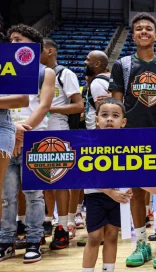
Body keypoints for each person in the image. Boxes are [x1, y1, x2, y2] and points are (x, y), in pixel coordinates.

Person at [108, 12, 156, 269]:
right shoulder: (123, 65)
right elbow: (116, 104)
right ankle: (141, 243)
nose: (144, 32)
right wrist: (116, 136)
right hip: (131, 136)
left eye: (148, 28)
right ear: (133, 35)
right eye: (139, 29)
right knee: (136, 191)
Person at [0, 24, 55, 263]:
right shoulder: (5, 68)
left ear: (33, 45)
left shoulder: (45, 72)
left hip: (34, 137)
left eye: (18, 39)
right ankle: (6, 240)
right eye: (10, 40)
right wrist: (12, 131)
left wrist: (21, 132)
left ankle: (34, 239)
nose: (12, 44)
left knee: (34, 193)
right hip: (5, 136)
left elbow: (43, 106)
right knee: (6, 195)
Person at [39, 37, 84, 247]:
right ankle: (47, 221)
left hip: (58, 129)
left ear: (48, 51)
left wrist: (48, 108)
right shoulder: (32, 74)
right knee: (42, 180)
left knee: (60, 181)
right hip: (36, 128)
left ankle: (63, 227)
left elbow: (78, 106)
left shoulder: (65, 73)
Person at [82, 97, 133, 272]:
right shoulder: (89, 142)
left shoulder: (128, 144)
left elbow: (133, 169)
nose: (109, 119)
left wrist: (128, 187)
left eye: (115, 115)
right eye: (104, 115)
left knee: (112, 235)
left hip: (119, 196)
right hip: (95, 195)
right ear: (96, 119)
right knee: (95, 236)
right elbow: (87, 174)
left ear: (123, 122)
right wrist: (110, 192)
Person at [84, 50, 110, 130]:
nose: (85, 62)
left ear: (97, 64)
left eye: (88, 60)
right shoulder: (109, 77)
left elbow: (102, 114)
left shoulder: (97, 82)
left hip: (96, 131)